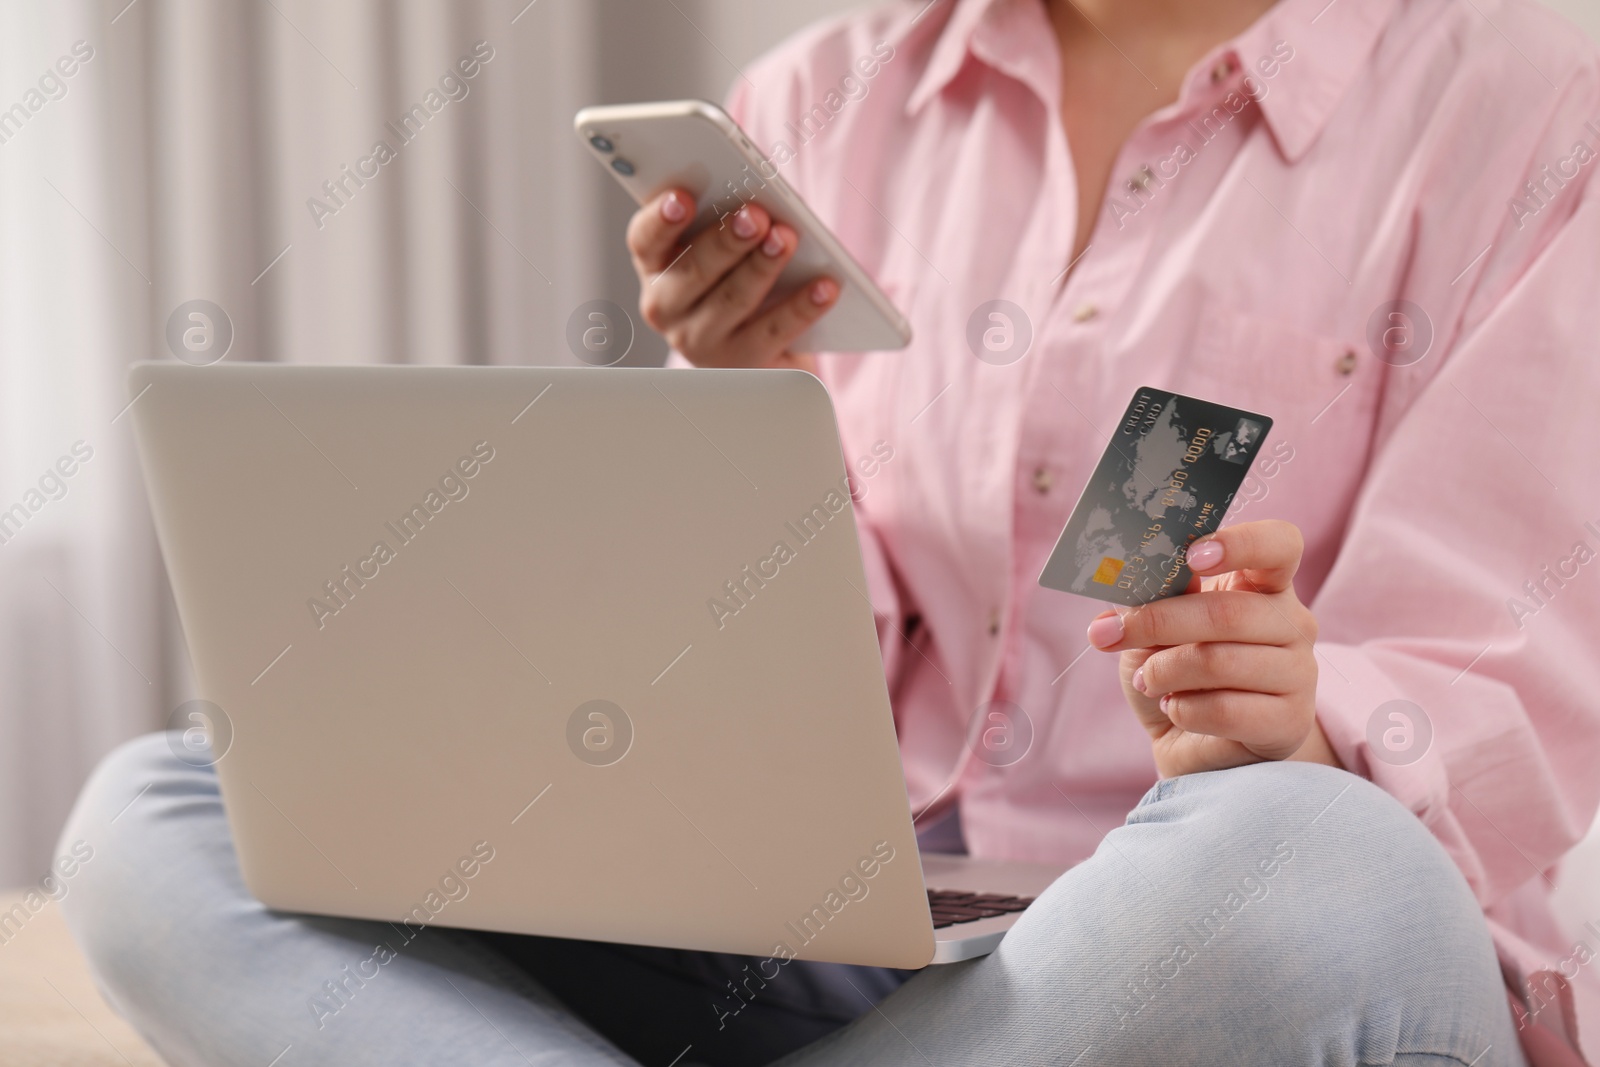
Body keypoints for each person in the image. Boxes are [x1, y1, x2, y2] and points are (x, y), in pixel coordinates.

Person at [58, 0, 1600, 1063]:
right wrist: (741, 417)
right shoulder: (817, 101)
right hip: (848, 928)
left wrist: (1303, 729)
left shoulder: (1533, 112)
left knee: (1318, 869)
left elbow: (1509, 675)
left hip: (1188, 946)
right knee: (164, 816)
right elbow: (760, 700)